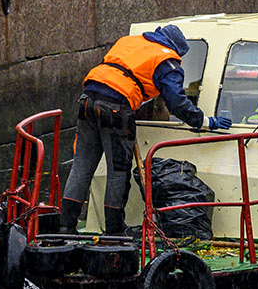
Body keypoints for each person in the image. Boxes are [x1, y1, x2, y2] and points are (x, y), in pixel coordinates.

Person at [60, 25, 231, 236]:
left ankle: (66, 226)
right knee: (118, 170)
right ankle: (114, 231)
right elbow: (176, 102)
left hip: (87, 99)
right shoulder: (168, 61)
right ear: (176, 49)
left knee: (82, 165)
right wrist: (204, 121)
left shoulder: (129, 42)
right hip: (116, 107)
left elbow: (123, 73)